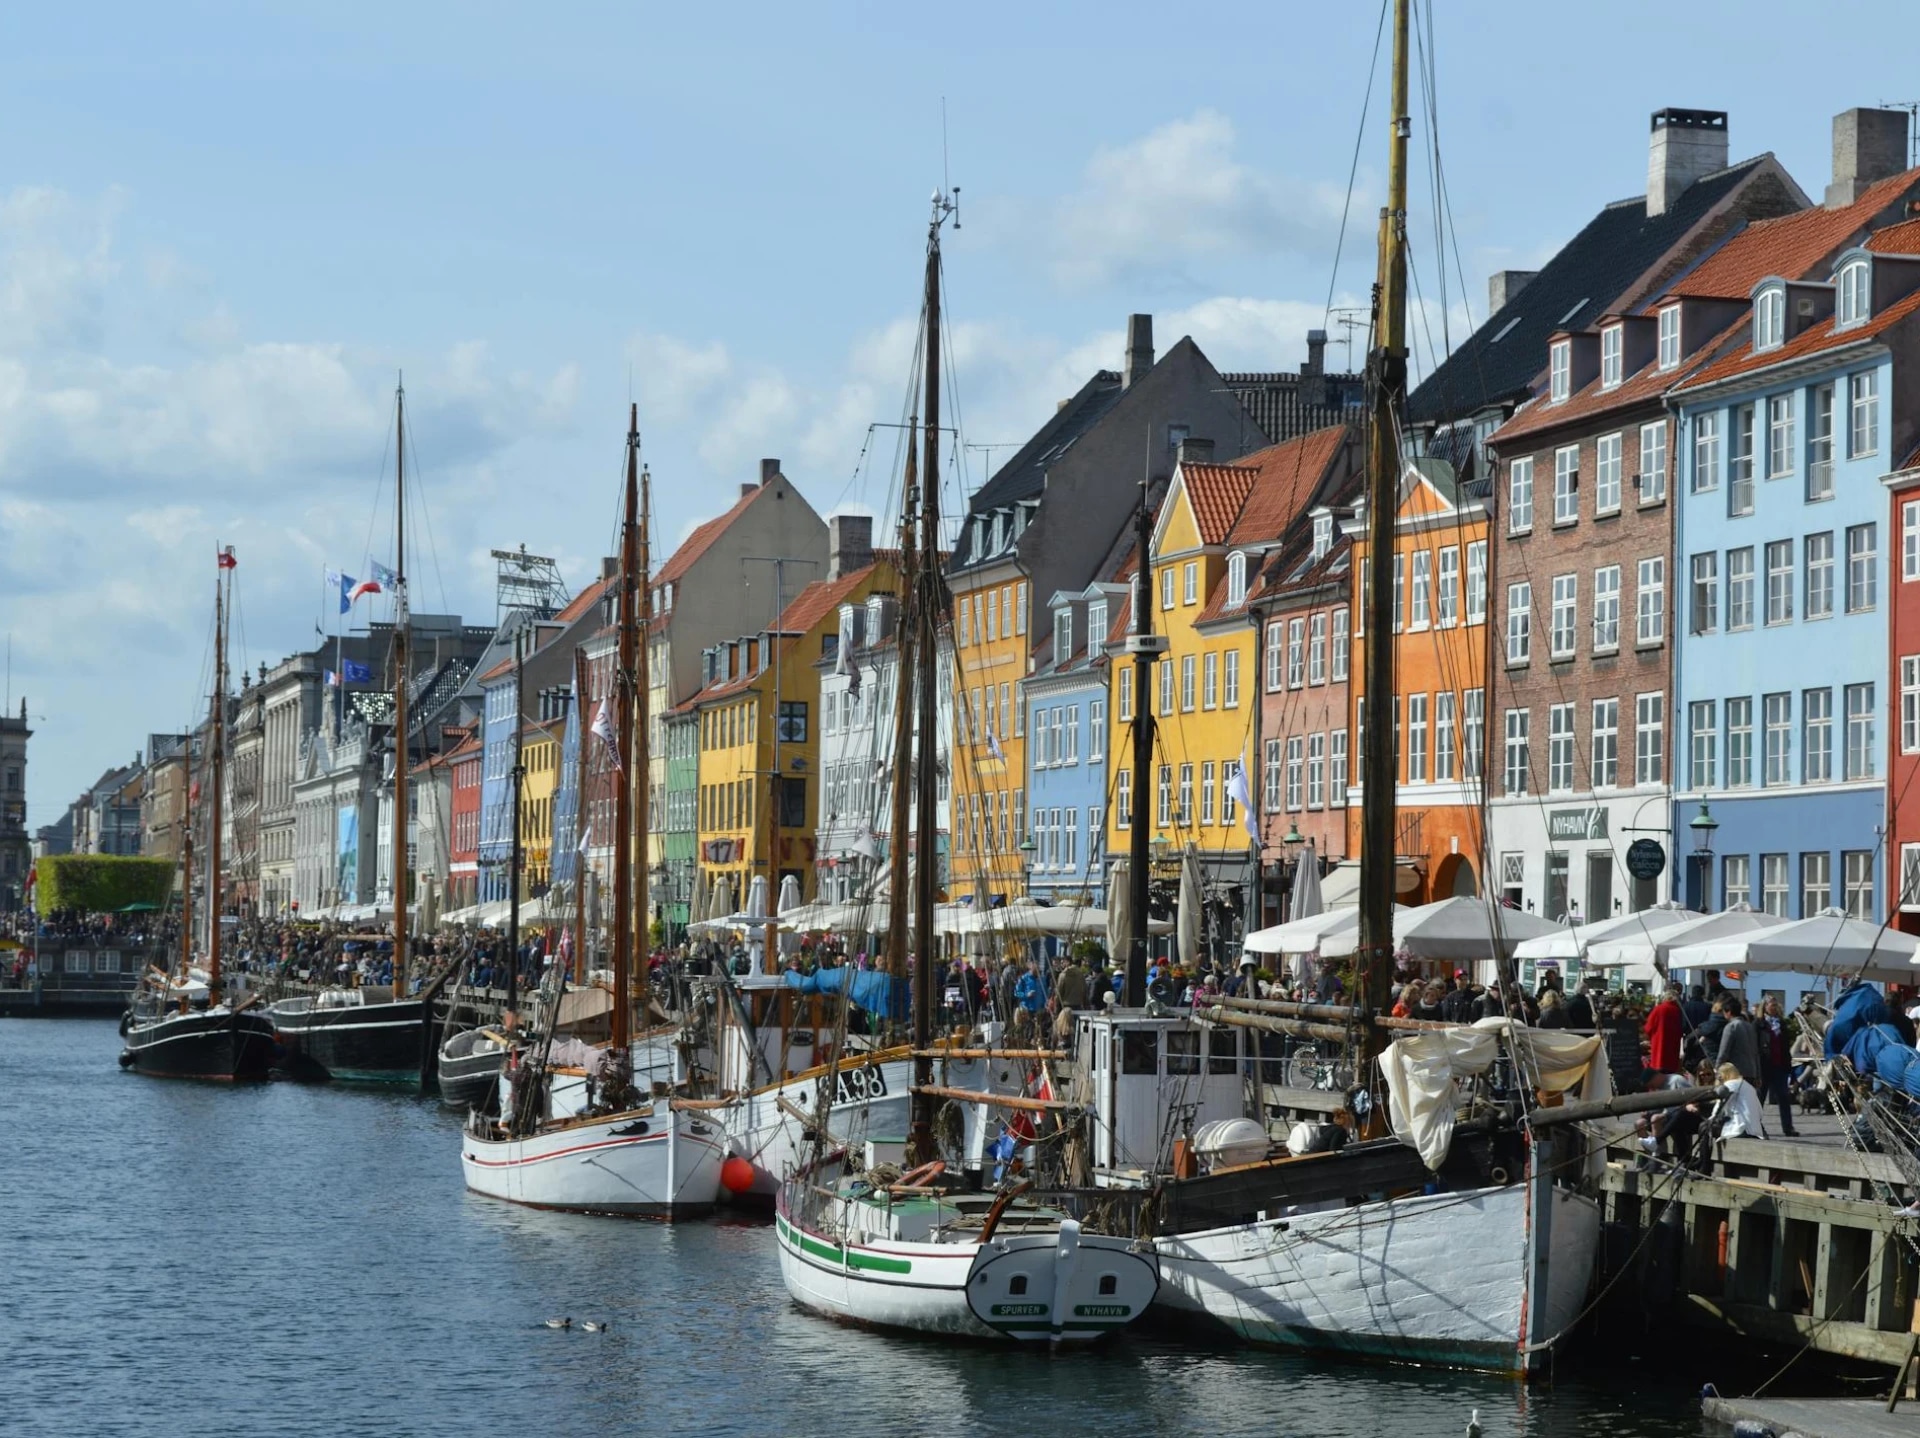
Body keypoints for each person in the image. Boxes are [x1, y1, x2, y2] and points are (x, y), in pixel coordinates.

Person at [1756, 995, 1798, 1137]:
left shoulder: (1781, 1023)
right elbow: (1755, 1046)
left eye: (1775, 1005)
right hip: (1764, 1066)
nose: (1774, 1007)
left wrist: (1789, 1067)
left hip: (1780, 1065)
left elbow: (1785, 1046)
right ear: (1765, 1007)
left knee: (1783, 1097)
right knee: (1760, 1098)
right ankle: (1755, 1126)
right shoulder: (1759, 1024)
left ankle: (1788, 1127)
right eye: (1771, 1005)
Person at [1716, 995, 1762, 1085]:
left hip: (1735, 1072)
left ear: (1728, 1012)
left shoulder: (1731, 1027)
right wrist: (1758, 1075)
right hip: (1752, 1072)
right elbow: (1756, 1052)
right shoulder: (1750, 1026)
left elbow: (1724, 1051)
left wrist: (1717, 1068)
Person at [1643, 985, 1685, 1077]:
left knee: (1659, 1075)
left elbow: (1648, 1028)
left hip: (1659, 1048)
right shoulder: (1678, 1011)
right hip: (1673, 1049)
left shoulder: (1658, 1009)